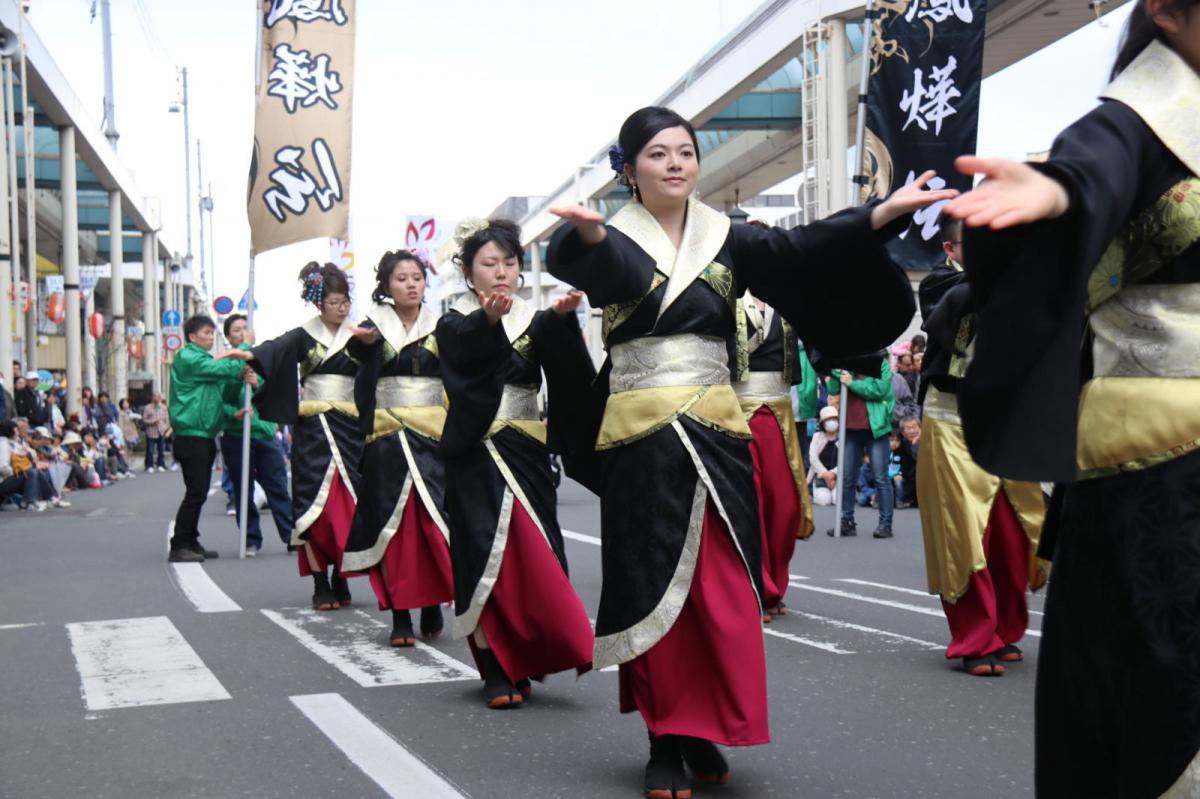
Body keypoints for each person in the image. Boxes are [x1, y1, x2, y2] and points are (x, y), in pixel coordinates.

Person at [547, 105, 951, 797]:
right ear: (631, 170)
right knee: (655, 584)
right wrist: (583, 233)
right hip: (642, 440)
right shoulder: (617, 239)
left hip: (718, 431)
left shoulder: (725, 237)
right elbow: (596, 265)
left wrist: (882, 213)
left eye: (685, 151)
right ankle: (665, 736)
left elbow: (801, 248)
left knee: (723, 588)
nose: (676, 163)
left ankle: (701, 722)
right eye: (658, 154)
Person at [943, 4, 1200, 793]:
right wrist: (1057, 189)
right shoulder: (1135, 122)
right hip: (1164, 464)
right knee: (1160, 693)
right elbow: (1092, 170)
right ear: (1168, 11)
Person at [435, 218, 597, 710]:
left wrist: (562, 323)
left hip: (527, 452)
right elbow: (462, 358)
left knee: (534, 555)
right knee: (483, 553)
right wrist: (486, 321)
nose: (502, 272)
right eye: (490, 263)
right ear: (469, 272)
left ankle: (527, 655)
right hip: (477, 454)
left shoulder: (534, 319)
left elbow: (569, 379)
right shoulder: (454, 322)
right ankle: (493, 668)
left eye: (510, 263)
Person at [219, 263, 364, 610]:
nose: (341, 308)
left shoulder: (359, 336)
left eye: (345, 301)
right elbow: (276, 348)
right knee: (314, 506)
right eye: (334, 302)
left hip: (350, 430)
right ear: (319, 304)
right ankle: (319, 581)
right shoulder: (303, 335)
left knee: (348, 505)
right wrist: (250, 353)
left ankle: (341, 575)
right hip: (313, 429)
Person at [341, 250, 453, 647]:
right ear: (387, 286)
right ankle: (401, 614)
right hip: (387, 439)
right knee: (394, 527)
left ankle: (432, 600)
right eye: (401, 278)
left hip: (434, 438)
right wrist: (364, 347)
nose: (410, 284)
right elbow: (358, 366)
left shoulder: (443, 325)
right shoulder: (373, 326)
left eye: (416, 277)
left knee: (434, 522)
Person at [734, 293, 813, 622]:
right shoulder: (727, 297)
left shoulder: (788, 301)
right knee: (749, 502)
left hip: (780, 414)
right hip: (737, 411)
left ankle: (776, 584)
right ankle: (756, 587)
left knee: (785, 505)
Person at [167, 315, 253, 563]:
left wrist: (230, 414)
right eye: (205, 333)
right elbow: (227, 369)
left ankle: (190, 540)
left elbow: (210, 398)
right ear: (192, 336)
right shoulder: (188, 357)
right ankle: (179, 544)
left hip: (202, 434)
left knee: (199, 491)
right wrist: (244, 346)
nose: (209, 337)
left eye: (211, 333)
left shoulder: (200, 359)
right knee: (196, 492)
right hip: (191, 435)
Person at [218, 314, 294, 557]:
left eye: (245, 328)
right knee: (243, 489)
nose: (242, 333)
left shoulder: (264, 360)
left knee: (277, 486)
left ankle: (291, 536)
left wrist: (257, 385)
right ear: (229, 337)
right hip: (236, 434)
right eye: (236, 330)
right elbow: (220, 401)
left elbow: (276, 396)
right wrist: (237, 384)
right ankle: (250, 538)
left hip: (264, 432)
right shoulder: (224, 364)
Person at [827, 357, 897, 538]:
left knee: (881, 478)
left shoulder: (880, 363)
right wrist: (835, 372)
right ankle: (847, 522)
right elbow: (833, 389)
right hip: (850, 429)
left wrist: (852, 383)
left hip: (876, 429)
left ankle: (885, 524)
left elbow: (879, 390)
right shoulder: (846, 363)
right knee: (847, 478)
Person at [807, 405, 840, 506]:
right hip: (820, 476)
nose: (832, 422)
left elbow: (846, 460)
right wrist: (826, 475)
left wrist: (833, 474)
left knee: (837, 500)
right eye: (828, 419)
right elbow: (813, 459)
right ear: (822, 423)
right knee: (823, 500)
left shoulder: (843, 437)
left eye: (834, 419)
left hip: (839, 477)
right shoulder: (817, 437)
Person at [142, 392, 171, 472]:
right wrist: (152, 422)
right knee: (150, 450)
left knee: (161, 450)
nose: (156, 398)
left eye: (158, 397)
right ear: (152, 398)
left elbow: (167, 419)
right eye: (154, 396)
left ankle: (160, 464)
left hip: (161, 431)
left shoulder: (164, 407)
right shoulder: (147, 407)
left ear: (160, 398)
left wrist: (166, 428)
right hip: (151, 431)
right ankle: (149, 465)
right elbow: (144, 419)